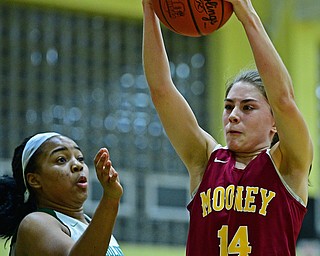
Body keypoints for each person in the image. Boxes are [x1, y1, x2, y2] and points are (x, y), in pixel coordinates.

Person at [142, 0, 313, 255]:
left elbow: (285, 101)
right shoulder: (205, 160)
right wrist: (149, 9)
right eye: (228, 106)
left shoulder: (288, 165)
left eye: (247, 108)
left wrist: (247, 15)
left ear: (275, 121)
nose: (233, 116)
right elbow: (162, 90)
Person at [0, 132, 124, 256]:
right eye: (61, 160)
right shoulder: (34, 223)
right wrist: (110, 198)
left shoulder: (92, 225)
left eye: (80, 158)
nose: (78, 165)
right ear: (34, 180)